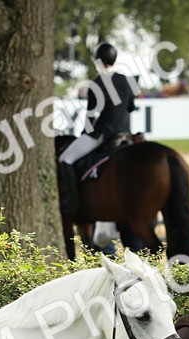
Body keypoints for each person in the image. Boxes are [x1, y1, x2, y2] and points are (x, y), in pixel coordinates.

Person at [59, 41, 137, 246]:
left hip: (104, 135)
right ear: (114, 59)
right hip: (126, 134)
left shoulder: (96, 83)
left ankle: (71, 204)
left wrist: (84, 134)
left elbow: (92, 118)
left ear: (98, 61)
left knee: (65, 158)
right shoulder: (128, 79)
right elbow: (130, 107)